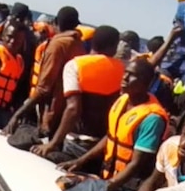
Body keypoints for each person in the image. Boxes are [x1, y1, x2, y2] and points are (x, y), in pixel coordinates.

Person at [58, 59, 168, 191]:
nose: (125, 78)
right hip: (110, 178)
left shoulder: (152, 119)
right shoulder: (123, 100)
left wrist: (102, 188)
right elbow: (111, 137)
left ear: (146, 82)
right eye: (125, 73)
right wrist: (80, 161)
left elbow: (137, 164)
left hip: (129, 188)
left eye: (132, 75)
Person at [31, 26, 125, 166]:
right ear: (115, 47)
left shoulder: (76, 65)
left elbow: (73, 109)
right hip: (103, 147)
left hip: (76, 143)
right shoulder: (123, 70)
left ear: (92, 42)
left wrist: (52, 144)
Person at [3, 6, 86, 138]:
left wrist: (17, 115)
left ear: (56, 22)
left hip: (49, 115)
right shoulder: (79, 46)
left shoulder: (57, 45)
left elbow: (44, 88)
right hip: (64, 115)